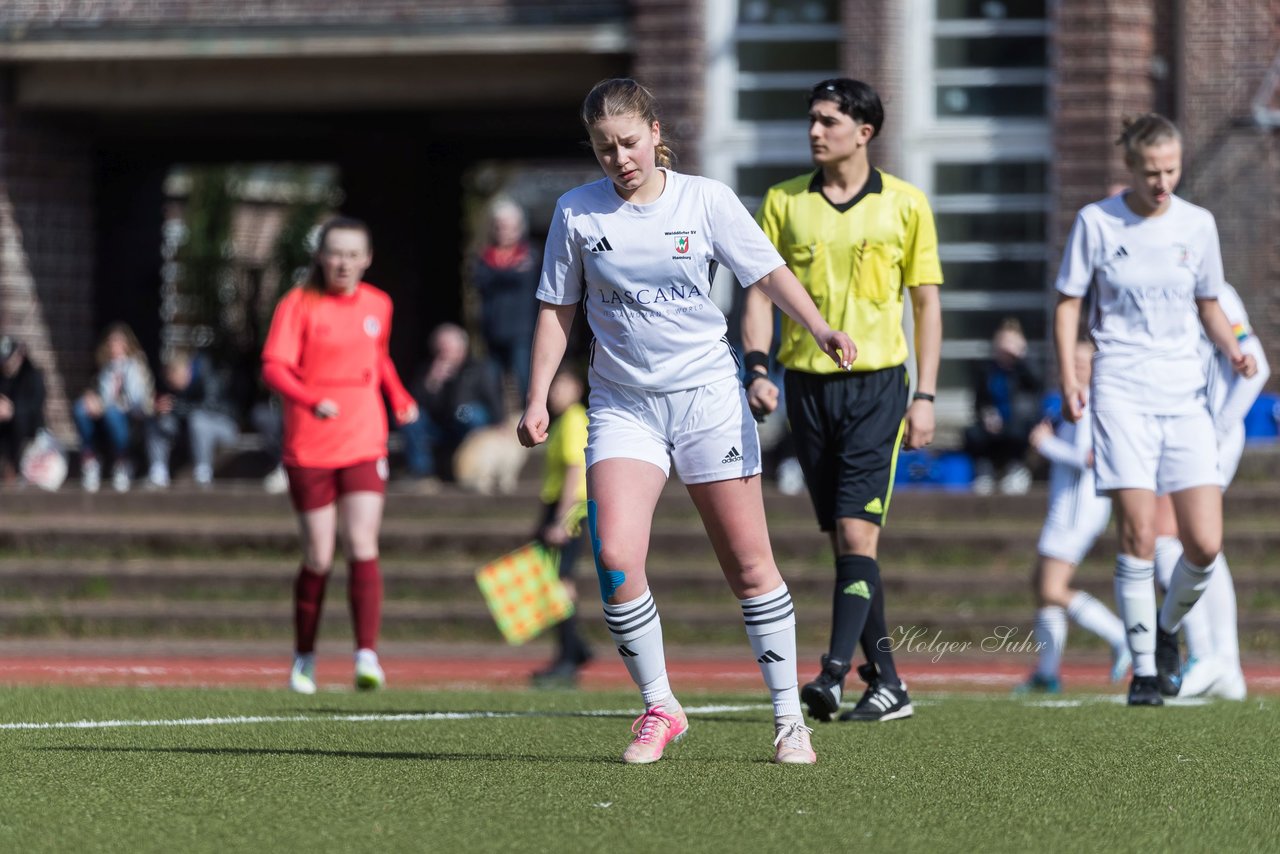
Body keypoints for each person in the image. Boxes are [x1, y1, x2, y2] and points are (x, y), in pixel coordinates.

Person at [518, 77, 857, 766]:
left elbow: (766, 272)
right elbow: (557, 310)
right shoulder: (576, 213)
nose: (619, 159)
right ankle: (659, 706)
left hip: (707, 399)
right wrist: (535, 396)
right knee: (614, 557)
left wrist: (819, 328)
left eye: (630, 143)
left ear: (654, 131)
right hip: (623, 406)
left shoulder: (705, 200)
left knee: (749, 564)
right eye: (604, 148)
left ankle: (790, 719)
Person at [742, 78, 943, 724]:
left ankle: (831, 674)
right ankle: (887, 682)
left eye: (828, 120)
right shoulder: (782, 202)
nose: (814, 131)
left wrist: (928, 396)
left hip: (879, 386)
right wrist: (756, 367)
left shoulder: (906, 204)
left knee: (858, 530)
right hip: (805, 388)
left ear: (865, 131)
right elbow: (758, 292)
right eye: (812, 120)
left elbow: (927, 304)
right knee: (846, 542)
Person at [1053, 113, 1257, 707]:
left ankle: (1164, 627)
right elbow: (1068, 304)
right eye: (1151, 172)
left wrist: (1234, 350)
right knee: (1140, 532)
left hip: (1184, 394)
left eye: (1170, 170)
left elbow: (1208, 301)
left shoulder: (1199, 225)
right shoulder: (1096, 222)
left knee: (1203, 543)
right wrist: (1070, 377)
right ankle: (1145, 669)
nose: (1162, 182)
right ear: (1131, 168)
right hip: (1120, 390)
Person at [261, 215, 418, 694]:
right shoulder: (298, 304)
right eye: (335, 253)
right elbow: (274, 367)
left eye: (353, 254)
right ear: (320, 257)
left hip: (364, 438)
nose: (344, 262)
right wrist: (310, 399)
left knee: (363, 542)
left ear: (367, 258)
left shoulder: (379, 304)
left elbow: (378, 357)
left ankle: (366, 654)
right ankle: (304, 657)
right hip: (309, 443)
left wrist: (398, 396)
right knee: (319, 554)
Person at [1153, 282, 1270, 700]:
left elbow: (1257, 368)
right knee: (1192, 541)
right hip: (1174, 434)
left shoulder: (1215, 291)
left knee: (1168, 537)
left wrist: (1216, 431)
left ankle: (1208, 655)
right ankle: (1224, 662)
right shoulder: (1155, 289)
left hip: (1204, 438)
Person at [1015, 339, 1130, 694]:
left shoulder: (1095, 404)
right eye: (1074, 360)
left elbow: (1090, 457)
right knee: (1041, 584)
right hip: (1064, 506)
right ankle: (1047, 672)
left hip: (1078, 509)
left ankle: (1120, 637)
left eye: (1085, 361)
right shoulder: (1071, 401)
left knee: (1052, 587)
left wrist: (1045, 444)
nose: (1078, 367)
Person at [529, 368, 593, 687]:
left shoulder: (572, 420)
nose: (554, 393)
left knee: (561, 582)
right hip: (558, 505)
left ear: (577, 387)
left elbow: (574, 469)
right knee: (551, 580)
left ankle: (569, 656)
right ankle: (575, 649)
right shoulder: (563, 422)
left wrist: (561, 519)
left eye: (561, 385)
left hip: (568, 507)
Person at [399, 322, 504, 484]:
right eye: (439, 348)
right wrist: (432, 382)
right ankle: (421, 471)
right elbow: (414, 403)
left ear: (462, 348)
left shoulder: (479, 368)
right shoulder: (429, 370)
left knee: (465, 412)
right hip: (439, 425)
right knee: (410, 418)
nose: (443, 353)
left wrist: (500, 422)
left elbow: (493, 397)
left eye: (447, 348)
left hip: (468, 422)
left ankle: (475, 468)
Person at [73, 323, 155, 493]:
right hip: (104, 416)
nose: (113, 347)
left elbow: (137, 399)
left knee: (112, 412)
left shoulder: (136, 366)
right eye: (110, 343)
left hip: (130, 418)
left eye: (118, 342)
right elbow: (97, 393)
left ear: (126, 344)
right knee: (81, 408)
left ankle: (123, 462)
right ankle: (91, 461)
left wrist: (107, 405)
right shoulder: (104, 369)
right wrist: (92, 400)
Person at [472, 197, 540, 402]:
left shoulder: (532, 255)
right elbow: (481, 280)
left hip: (522, 331)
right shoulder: (485, 256)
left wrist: (498, 276)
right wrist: (510, 274)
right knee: (491, 383)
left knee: (524, 380)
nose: (504, 231)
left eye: (509, 226)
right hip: (492, 331)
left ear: (520, 227)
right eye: (499, 226)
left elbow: (498, 279)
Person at [964, 318, 1041, 495]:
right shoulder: (988, 371)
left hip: (1019, 422)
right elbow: (979, 402)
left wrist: (1020, 358)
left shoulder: (1025, 369)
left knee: (1016, 431)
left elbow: (1037, 385)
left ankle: (1017, 469)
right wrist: (987, 415)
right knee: (973, 433)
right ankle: (985, 472)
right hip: (993, 425)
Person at [145, 350, 240, 488]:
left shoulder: (208, 377)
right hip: (189, 432)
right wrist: (161, 410)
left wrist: (176, 407)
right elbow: (176, 412)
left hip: (223, 427)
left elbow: (210, 407)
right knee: (157, 421)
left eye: (174, 376)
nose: (171, 382)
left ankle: (203, 470)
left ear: (186, 370)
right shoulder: (171, 386)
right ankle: (158, 470)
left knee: (198, 420)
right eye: (168, 378)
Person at [0, 335, 47, 482]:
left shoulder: (32, 376)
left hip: (27, 431)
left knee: (19, 422)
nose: (7, 364)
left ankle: (16, 469)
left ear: (20, 355)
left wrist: (12, 411)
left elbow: (35, 407)